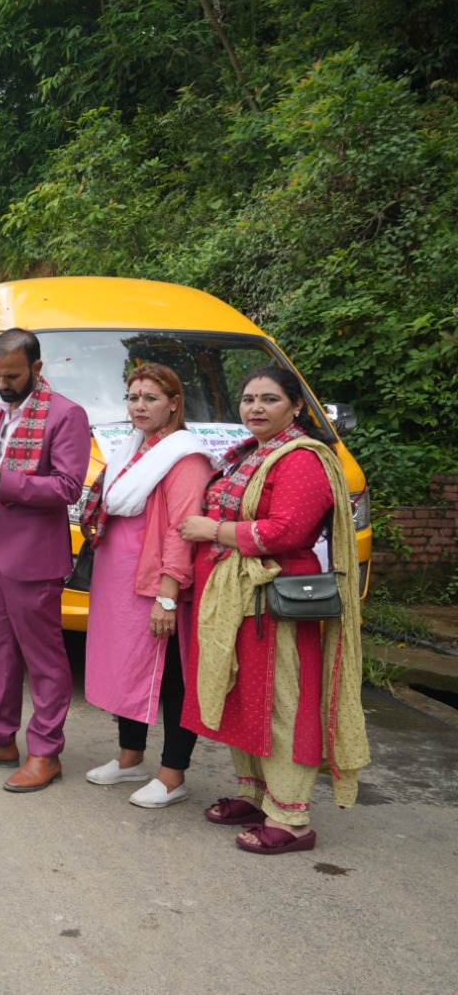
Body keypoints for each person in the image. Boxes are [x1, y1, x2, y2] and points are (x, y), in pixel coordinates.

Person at [179, 364, 369, 855]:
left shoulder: (302, 457)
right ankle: (256, 793)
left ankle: (291, 818)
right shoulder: (250, 453)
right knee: (244, 695)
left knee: (282, 702)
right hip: (239, 596)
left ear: (296, 406)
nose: (256, 408)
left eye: (269, 399)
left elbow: (288, 532)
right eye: (248, 399)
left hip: (278, 597)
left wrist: (213, 532)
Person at [0, 328, 89, 792]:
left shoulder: (66, 415)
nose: (3, 384)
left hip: (33, 557)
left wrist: (1, 480)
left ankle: (46, 751)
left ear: (37, 369)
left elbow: (67, 488)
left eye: (13, 375)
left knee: (43, 656)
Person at [80, 365, 213, 807]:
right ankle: (130, 758)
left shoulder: (185, 457)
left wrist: (168, 598)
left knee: (172, 676)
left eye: (151, 398)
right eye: (133, 397)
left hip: (156, 587)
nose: (139, 406)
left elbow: (182, 530)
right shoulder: (133, 448)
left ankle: (173, 775)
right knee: (125, 667)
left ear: (174, 403)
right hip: (119, 586)